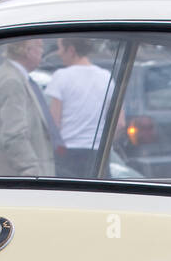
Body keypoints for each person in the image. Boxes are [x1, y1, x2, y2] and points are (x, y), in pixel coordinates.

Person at [0, 38, 55, 177]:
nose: (42, 52)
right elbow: (14, 134)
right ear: (26, 50)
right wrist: (33, 171)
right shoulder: (12, 81)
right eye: (39, 46)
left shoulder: (6, 74)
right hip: (15, 180)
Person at [46, 38, 118, 178]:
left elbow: (54, 123)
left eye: (60, 48)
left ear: (71, 50)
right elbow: (119, 123)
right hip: (99, 153)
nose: (58, 53)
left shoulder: (61, 77)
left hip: (68, 154)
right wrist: (105, 145)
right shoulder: (106, 77)